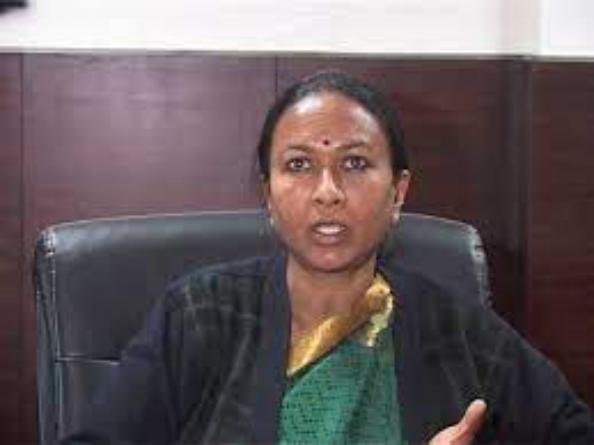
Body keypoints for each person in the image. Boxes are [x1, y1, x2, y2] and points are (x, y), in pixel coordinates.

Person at [64, 71, 594, 444]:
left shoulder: (455, 329)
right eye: (299, 165)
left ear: (398, 193)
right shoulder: (201, 315)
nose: (327, 192)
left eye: (355, 163)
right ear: (268, 194)